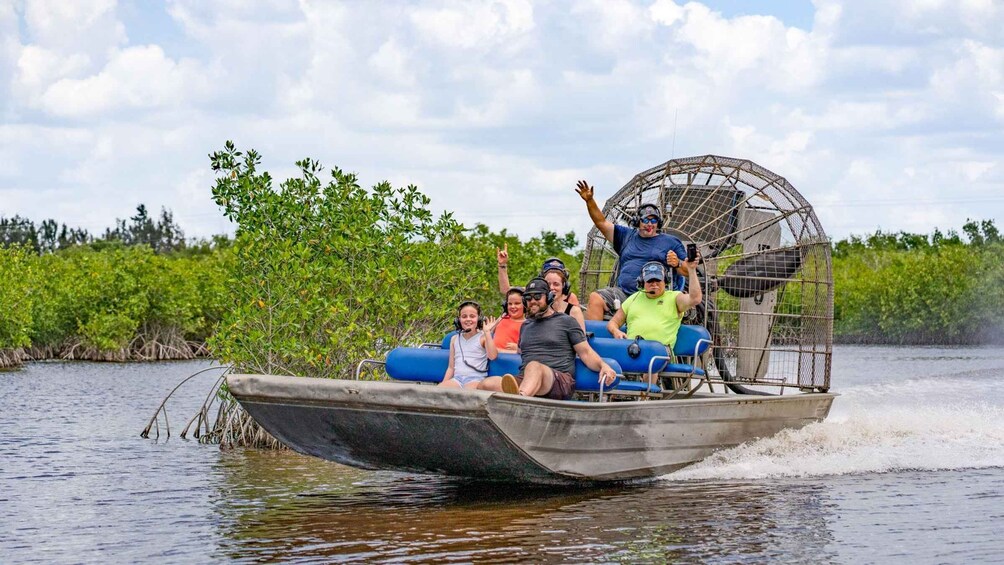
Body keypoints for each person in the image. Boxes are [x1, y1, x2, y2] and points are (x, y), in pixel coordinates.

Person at [479, 277, 616, 399]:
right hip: (528, 379)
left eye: (538, 297)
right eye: (528, 298)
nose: (532, 301)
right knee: (487, 384)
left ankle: (519, 400)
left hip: (559, 381)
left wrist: (603, 365)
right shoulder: (526, 326)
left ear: (549, 297)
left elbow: (585, 352)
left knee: (534, 366)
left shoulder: (566, 321)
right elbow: (519, 352)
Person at [575, 180, 689, 321]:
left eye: (653, 221)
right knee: (596, 298)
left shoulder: (671, 242)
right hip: (625, 295)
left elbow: (687, 270)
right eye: (645, 220)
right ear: (637, 222)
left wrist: (677, 263)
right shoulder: (626, 236)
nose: (649, 224)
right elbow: (601, 222)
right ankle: (594, 341)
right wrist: (590, 200)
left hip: (655, 298)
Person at [606, 258, 702, 352]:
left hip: (659, 356)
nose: (654, 284)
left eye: (658, 280)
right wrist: (616, 331)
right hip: (632, 353)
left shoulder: (674, 297)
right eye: (650, 281)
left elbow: (695, 299)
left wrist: (691, 270)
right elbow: (613, 323)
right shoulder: (633, 298)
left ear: (665, 281)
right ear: (642, 282)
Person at [496, 244, 585, 331]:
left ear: (564, 286)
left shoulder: (572, 304)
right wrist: (502, 265)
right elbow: (506, 290)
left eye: (556, 284)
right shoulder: (533, 296)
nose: (552, 288)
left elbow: (580, 337)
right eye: (548, 283)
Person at [440, 301, 499, 390]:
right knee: (436, 393)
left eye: (472, 316)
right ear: (458, 320)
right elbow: (451, 367)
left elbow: (493, 356)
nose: (468, 319)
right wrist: (442, 385)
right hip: (457, 379)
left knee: (466, 396)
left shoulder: (483, 337)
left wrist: (487, 332)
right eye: (464, 316)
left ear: (479, 319)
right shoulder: (454, 339)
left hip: (475, 380)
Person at [493, 286, 525, 352]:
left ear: (525, 305)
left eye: (517, 303)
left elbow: (532, 349)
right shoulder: (503, 318)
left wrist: (518, 348)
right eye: (510, 304)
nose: (513, 306)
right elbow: (489, 332)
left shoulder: (527, 324)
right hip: (494, 359)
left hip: (511, 359)